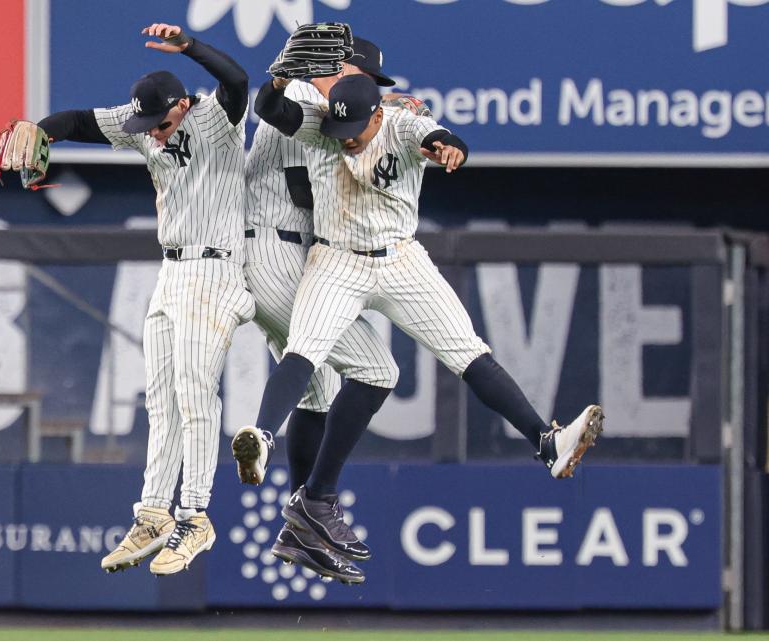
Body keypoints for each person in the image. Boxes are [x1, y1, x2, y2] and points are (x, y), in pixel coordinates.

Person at [248, 71, 605, 564]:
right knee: (304, 351)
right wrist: (276, 83)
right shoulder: (323, 126)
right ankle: (262, 437)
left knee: (470, 353)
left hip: (400, 260)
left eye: (356, 130)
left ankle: (546, 442)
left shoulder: (402, 123)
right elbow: (271, 111)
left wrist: (449, 148)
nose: (346, 140)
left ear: (378, 114)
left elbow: (440, 138)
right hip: (336, 260)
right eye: (339, 131)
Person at [35, 22, 254, 575]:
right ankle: (154, 512)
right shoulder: (143, 125)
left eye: (159, 123)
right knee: (161, 398)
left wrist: (192, 48)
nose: (151, 134)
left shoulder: (214, 119)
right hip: (171, 269)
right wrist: (38, 130)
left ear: (180, 106)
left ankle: (196, 515)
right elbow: (83, 120)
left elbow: (237, 79)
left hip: (216, 269)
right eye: (145, 125)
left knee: (195, 391)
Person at [236, 37, 410, 584]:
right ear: (343, 69)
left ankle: (302, 528)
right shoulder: (308, 96)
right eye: (366, 81)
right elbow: (311, 186)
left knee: (317, 391)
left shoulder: (318, 102)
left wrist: (388, 122)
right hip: (278, 249)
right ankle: (310, 498)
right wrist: (389, 133)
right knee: (377, 370)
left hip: (275, 249)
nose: (369, 94)